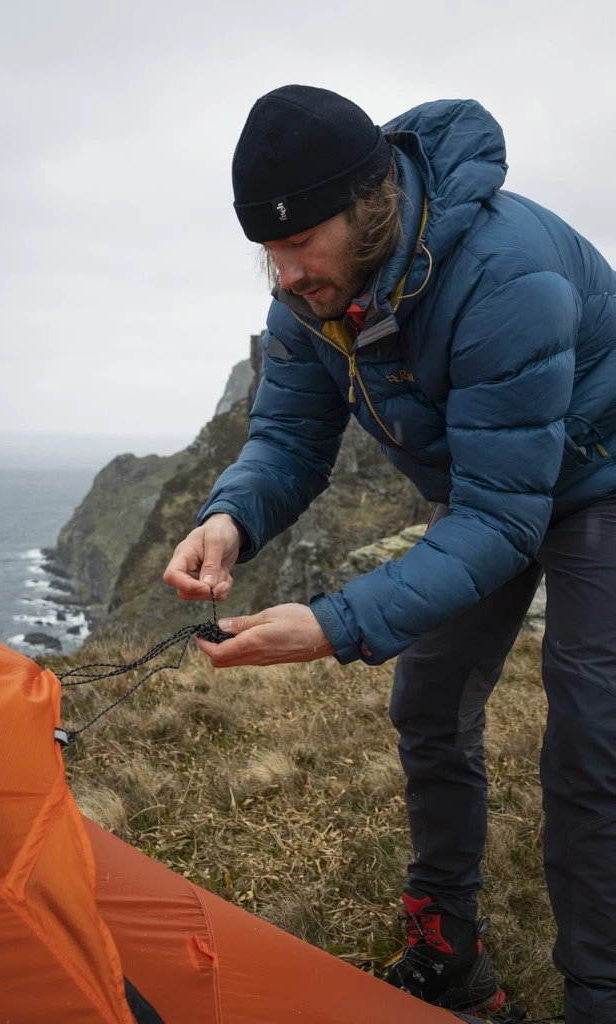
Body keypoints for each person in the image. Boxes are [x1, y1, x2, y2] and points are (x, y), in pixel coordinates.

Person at [163, 85, 616, 1023]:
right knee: (429, 703)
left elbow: (503, 519)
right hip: (486, 486)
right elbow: (290, 438)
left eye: (299, 243)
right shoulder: (311, 295)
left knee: (589, 738)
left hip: (599, 480)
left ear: (366, 205)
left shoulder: (505, 275)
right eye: (269, 251)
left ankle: (598, 994)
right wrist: (230, 519)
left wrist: (333, 624)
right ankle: (448, 953)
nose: (286, 274)